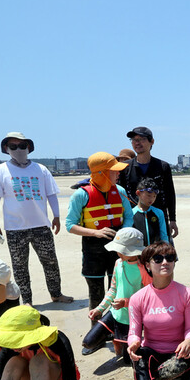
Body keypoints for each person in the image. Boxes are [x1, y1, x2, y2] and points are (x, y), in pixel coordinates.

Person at [0, 132, 72, 306]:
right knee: (20, 267)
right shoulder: (0, 171)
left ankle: (56, 294)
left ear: (28, 148)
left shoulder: (40, 169)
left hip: (41, 225)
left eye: (22, 146)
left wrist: (56, 216)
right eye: (13, 146)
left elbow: (51, 194)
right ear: (6, 149)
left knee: (50, 262)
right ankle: (26, 301)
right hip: (14, 228)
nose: (18, 150)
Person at [127, 240, 190, 380]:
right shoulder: (138, 298)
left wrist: (188, 341)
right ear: (147, 265)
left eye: (170, 258)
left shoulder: (187, 293)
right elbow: (134, 331)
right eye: (158, 259)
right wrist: (133, 343)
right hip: (152, 353)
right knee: (139, 355)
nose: (164, 262)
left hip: (178, 355)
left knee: (175, 371)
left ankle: (144, 378)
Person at [65, 152, 133, 314]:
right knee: (96, 294)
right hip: (92, 250)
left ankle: (114, 327)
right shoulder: (81, 194)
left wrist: (122, 233)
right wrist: (95, 233)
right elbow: (70, 225)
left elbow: (128, 216)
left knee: (116, 292)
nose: (118, 173)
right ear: (102, 173)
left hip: (117, 248)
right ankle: (96, 332)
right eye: (114, 170)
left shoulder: (120, 190)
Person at [82, 227, 151, 359]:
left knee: (127, 358)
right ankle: (114, 335)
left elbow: (149, 297)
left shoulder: (144, 269)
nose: (118, 252)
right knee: (88, 342)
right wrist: (99, 309)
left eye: (121, 249)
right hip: (115, 314)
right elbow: (113, 290)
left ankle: (121, 339)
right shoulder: (118, 263)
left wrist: (126, 302)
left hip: (131, 319)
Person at [121, 126, 178, 239]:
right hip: (133, 217)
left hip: (159, 216)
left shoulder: (162, 166)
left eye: (141, 139)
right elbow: (121, 194)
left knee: (162, 251)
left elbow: (169, 194)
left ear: (152, 141)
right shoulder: (125, 167)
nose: (137, 143)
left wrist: (172, 219)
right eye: (134, 140)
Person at [130, 177, 169, 245]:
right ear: (138, 193)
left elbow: (164, 235)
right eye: (149, 195)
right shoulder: (131, 213)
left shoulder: (159, 213)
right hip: (137, 252)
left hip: (155, 252)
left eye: (154, 196)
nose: (152, 199)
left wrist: (166, 247)